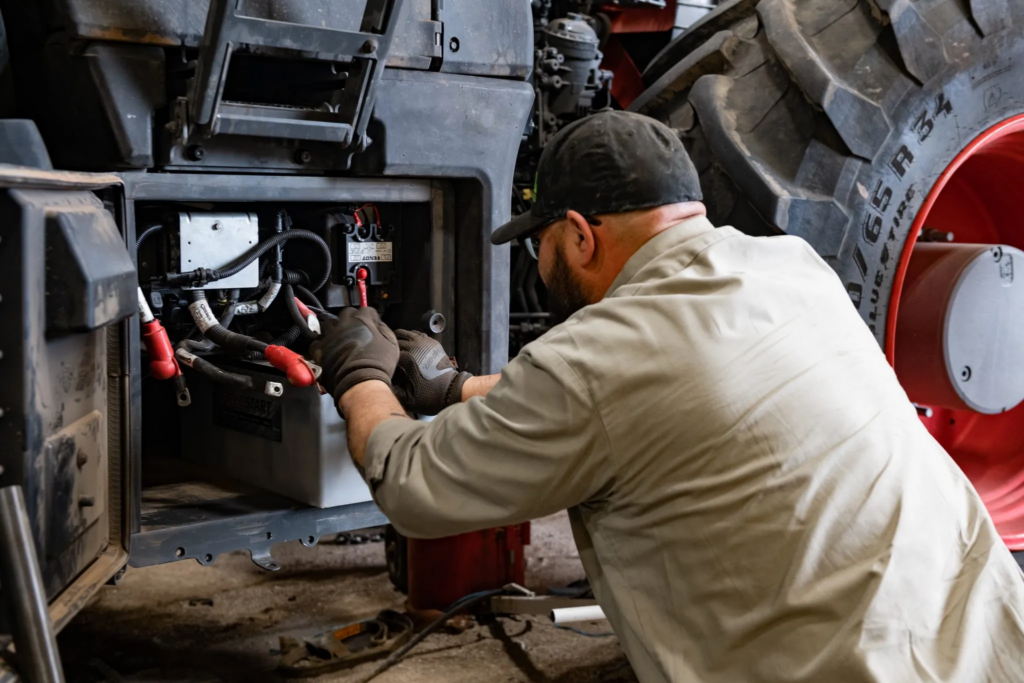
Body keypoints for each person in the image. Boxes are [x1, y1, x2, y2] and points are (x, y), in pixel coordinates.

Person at [311, 111, 1024, 682]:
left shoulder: (596, 357)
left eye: (543, 243)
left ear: (582, 235)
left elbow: (411, 483)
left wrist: (361, 376)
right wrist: (459, 387)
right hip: (987, 640)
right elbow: (671, 392)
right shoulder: (791, 268)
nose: (543, 261)